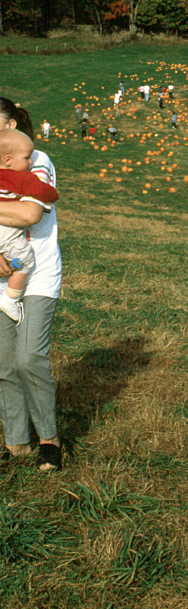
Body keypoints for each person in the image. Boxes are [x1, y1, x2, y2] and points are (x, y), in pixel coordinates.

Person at [0, 97, 62, 470]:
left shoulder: (35, 160)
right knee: (3, 363)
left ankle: (49, 437)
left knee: (28, 359)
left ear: (13, 125)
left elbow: (29, 212)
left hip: (37, 275)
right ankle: (15, 442)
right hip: (2, 275)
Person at [0, 130, 58, 322]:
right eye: (26, 158)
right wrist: (52, 194)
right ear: (8, 160)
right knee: (24, 259)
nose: (31, 162)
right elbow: (45, 192)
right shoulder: (20, 178)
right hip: (6, 231)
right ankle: (10, 298)